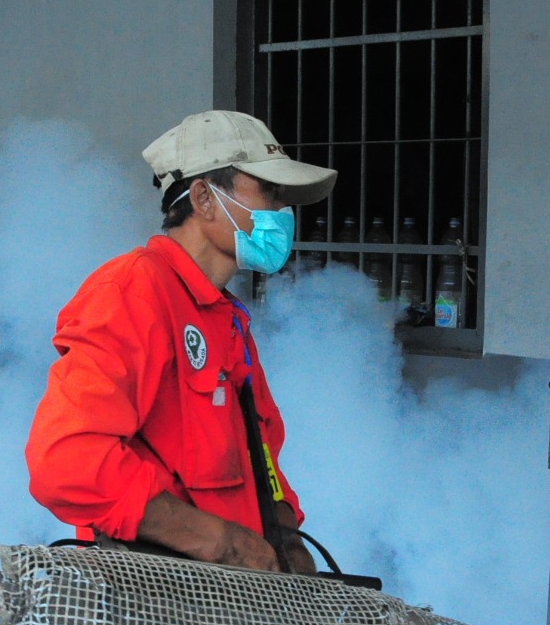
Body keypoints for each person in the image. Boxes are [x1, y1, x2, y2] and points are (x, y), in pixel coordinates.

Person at [25, 110, 336, 574]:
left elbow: (260, 456)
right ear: (204, 198)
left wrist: (287, 540)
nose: (280, 212)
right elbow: (66, 462)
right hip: (158, 608)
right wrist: (222, 544)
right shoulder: (132, 292)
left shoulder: (226, 319)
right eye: (268, 191)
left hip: (236, 604)